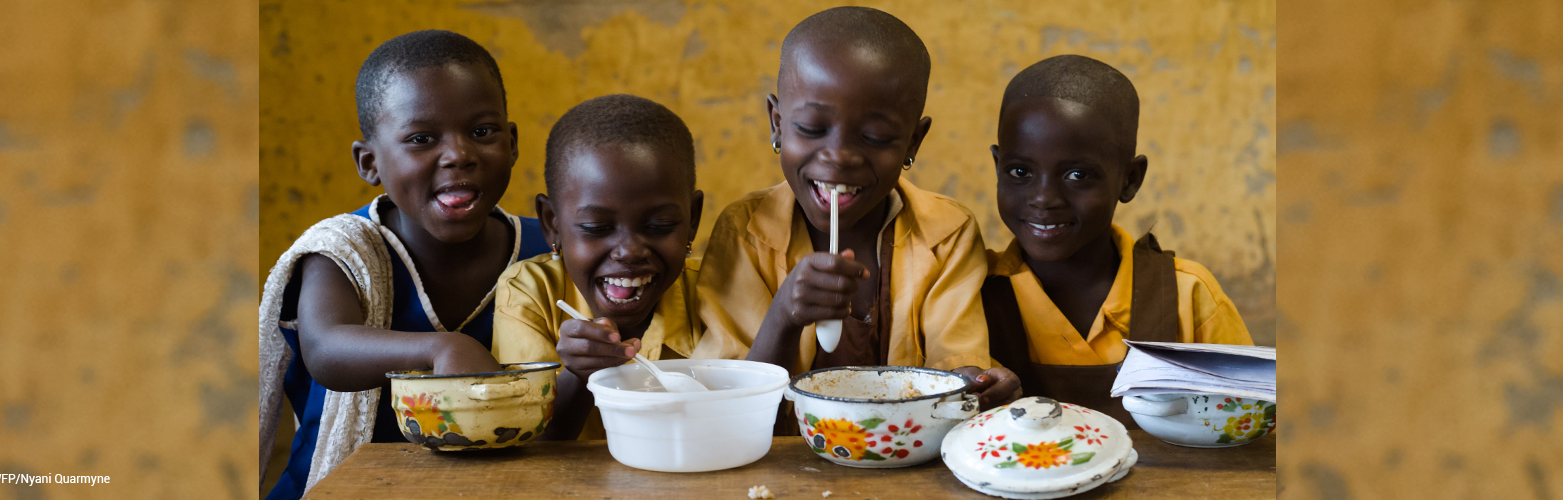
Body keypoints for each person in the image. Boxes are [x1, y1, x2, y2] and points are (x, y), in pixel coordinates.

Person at [694, 7, 1021, 431]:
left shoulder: (948, 233)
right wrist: (783, 318)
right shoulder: (744, 232)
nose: (839, 156)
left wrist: (975, 385)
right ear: (776, 124)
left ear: (913, 141)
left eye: (875, 138)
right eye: (811, 128)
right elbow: (723, 412)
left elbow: (954, 369)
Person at [256, 30, 549, 498]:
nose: (458, 155)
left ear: (512, 143)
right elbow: (326, 347)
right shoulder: (345, 250)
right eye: (421, 138)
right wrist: (439, 350)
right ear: (369, 162)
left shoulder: (547, 249)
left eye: (482, 131)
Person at [982, 54, 1254, 428]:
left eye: (1078, 174)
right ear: (998, 167)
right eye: (1020, 171)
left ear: (1130, 179)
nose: (1044, 198)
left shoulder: (1187, 295)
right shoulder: (972, 292)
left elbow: (1248, 422)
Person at [493, 94, 705, 440]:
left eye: (659, 225)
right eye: (597, 229)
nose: (629, 251)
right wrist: (578, 377)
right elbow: (528, 447)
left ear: (692, 220)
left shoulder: (712, 290)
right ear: (552, 224)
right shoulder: (528, 294)